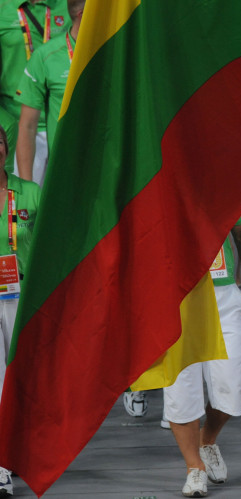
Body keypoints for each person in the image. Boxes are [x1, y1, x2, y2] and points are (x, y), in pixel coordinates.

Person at [163, 213, 241, 497]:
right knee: (181, 389)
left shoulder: (221, 177)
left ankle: (206, 440)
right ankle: (194, 468)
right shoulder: (155, 180)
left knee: (233, 389)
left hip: (222, 296)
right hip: (174, 297)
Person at [0, 125, 41, 497]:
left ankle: (24, 449)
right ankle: (1, 465)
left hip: (21, 296)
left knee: (22, 376)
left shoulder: (28, 192)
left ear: (5, 147)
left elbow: (50, 242)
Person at [15, 0, 83, 186]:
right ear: (83, 15)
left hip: (106, 165)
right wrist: (26, 188)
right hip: (65, 169)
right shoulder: (46, 56)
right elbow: (27, 126)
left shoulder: (113, 52)